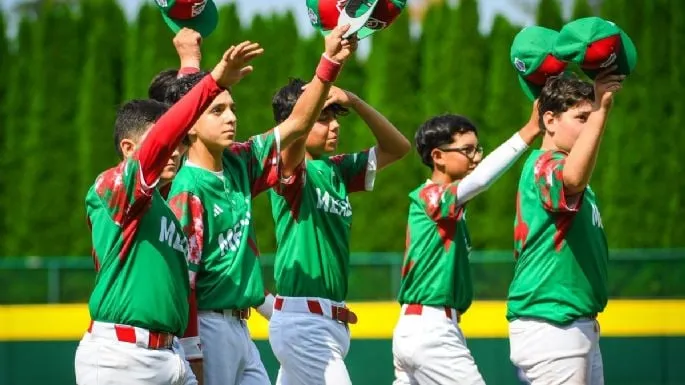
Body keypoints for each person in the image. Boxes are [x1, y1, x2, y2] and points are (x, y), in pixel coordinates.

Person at [165, 24, 357, 385]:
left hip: (242, 328)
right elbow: (184, 283)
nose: (231, 117)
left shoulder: (240, 161)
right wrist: (193, 351)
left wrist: (330, 60)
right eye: (218, 110)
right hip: (208, 329)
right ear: (190, 126)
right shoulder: (186, 190)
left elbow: (299, 122)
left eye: (232, 108)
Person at [74, 41, 258, 385]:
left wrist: (193, 355)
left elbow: (185, 290)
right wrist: (212, 78)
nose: (171, 152)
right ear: (128, 148)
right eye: (163, 144)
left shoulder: (169, 209)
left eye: (177, 146)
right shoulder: (114, 189)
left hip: (170, 355)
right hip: (120, 357)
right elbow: (166, 135)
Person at [267, 79, 410, 383]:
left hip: (330, 321)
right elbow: (289, 145)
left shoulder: (338, 170)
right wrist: (321, 81)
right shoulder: (288, 169)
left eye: (334, 117)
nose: (334, 126)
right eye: (322, 117)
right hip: (304, 323)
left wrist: (355, 101)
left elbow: (398, 148)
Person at [392, 103, 542, 385]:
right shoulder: (430, 196)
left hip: (422, 327)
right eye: (467, 149)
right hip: (431, 330)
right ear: (437, 156)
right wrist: (530, 131)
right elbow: (482, 179)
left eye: (478, 149)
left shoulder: (450, 209)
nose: (476, 157)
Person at [507, 68, 624, 385]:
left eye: (590, 117)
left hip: (569, 323)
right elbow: (571, 179)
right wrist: (601, 111)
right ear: (549, 121)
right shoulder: (546, 162)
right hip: (553, 323)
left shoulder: (570, 174)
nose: (590, 124)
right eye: (581, 117)